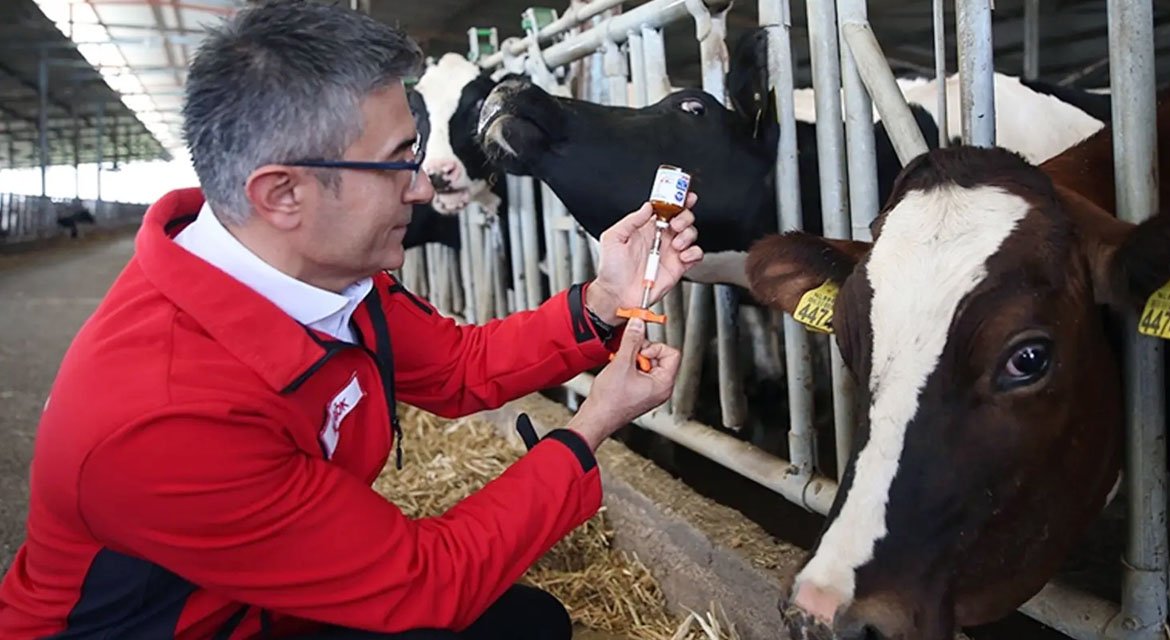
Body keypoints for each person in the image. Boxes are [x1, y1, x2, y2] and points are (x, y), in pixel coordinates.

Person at [0, 2, 703, 639]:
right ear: (282, 193)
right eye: (400, 161)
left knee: (526, 624)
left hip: (258, 600)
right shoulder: (164, 419)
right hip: (174, 629)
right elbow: (424, 582)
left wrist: (604, 301)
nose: (425, 185)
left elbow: (458, 366)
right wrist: (591, 425)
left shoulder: (320, 272)